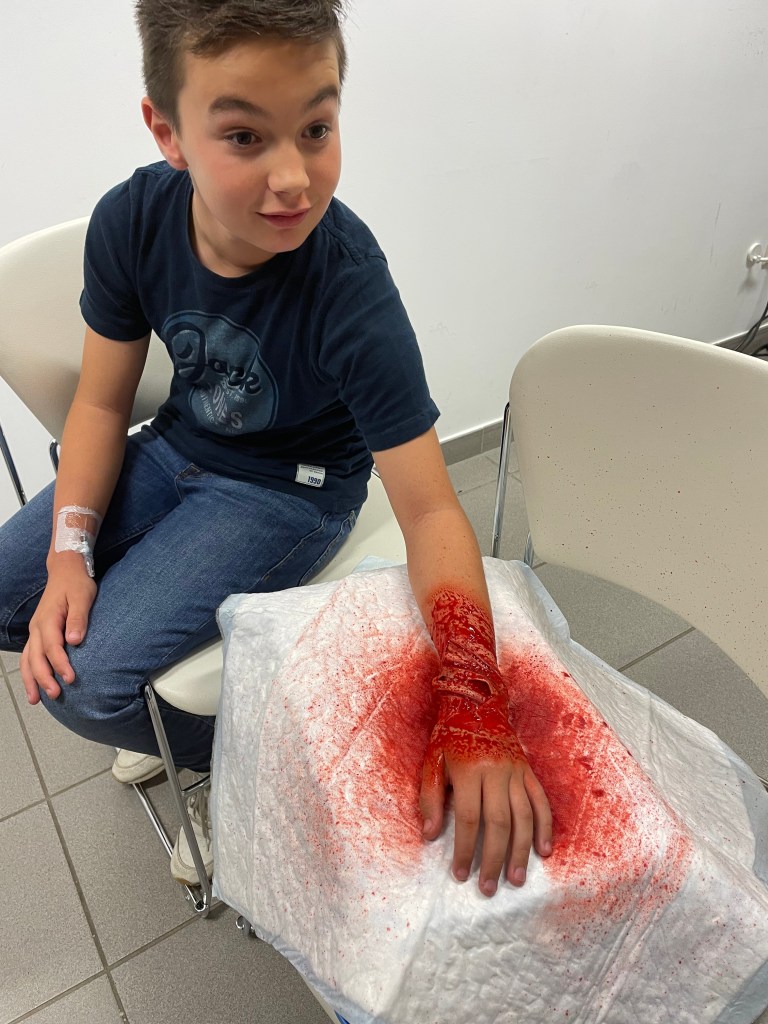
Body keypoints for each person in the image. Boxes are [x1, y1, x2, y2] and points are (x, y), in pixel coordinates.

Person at [0, 0, 551, 895]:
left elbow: (429, 509)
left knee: (87, 688)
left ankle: (245, 765)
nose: (295, 178)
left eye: (317, 129)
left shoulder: (348, 288)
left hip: (292, 491)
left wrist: (476, 703)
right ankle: (167, 725)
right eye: (245, 138)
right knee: (12, 594)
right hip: (176, 445)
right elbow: (100, 405)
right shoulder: (132, 221)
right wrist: (70, 551)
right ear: (168, 132)